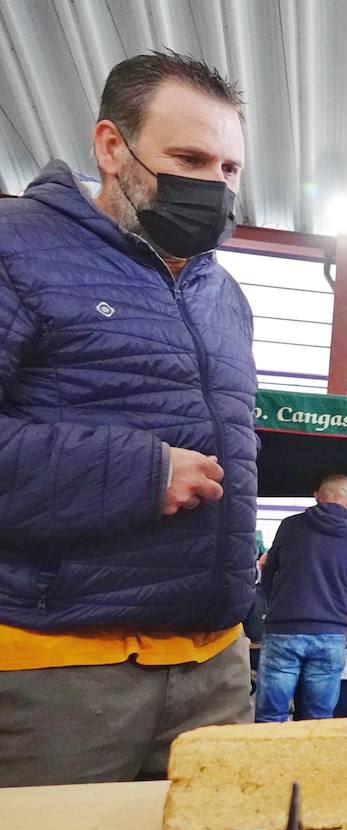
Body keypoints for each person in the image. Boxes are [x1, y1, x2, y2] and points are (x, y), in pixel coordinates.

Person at [0, 52, 257, 786]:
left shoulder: (223, 296)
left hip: (215, 671)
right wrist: (137, 473)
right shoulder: (16, 246)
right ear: (112, 147)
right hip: (59, 675)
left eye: (229, 168)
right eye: (189, 157)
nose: (213, 185)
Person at [255, 475, 347, 722]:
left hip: (284, 629)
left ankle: (267, 760)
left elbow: (268, 572)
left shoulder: (290, 526)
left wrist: (279, 602)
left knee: (270, 716)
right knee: (319, 718)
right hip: (330, 632)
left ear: (316, 494)